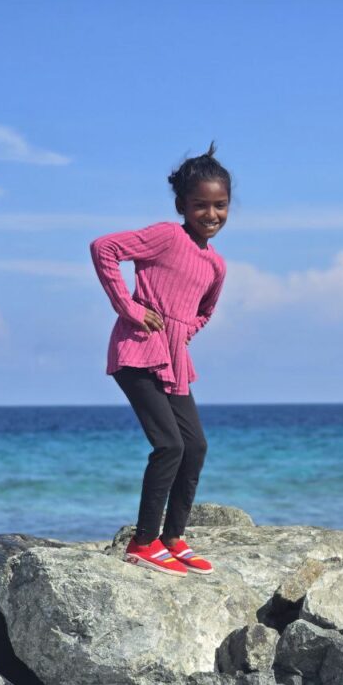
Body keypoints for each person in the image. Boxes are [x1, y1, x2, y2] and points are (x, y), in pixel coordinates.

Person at [90, 143, 230, 575]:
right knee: (169, 445)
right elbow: (103, 248)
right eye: (200, 205)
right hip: (136, 351)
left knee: (195, 446)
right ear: (181, 206)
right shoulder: (167, 237)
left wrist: (182, 331)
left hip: (173, 360)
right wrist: (129, 308)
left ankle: (173, 537)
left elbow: (205, 311)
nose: (211, 214)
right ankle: (143, 542)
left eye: (220, 205)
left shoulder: (216, 265)